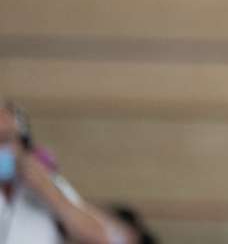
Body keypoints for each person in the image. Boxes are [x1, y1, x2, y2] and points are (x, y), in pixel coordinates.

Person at [0, 101, 133, 244]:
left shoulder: (46, 185)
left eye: (5, 139)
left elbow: (111, 239)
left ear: (24, 145)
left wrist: (48, 191)